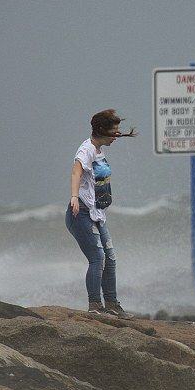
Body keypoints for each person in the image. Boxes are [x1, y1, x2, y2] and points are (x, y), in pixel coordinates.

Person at [66, 109, 135, 315]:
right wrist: (74, 196)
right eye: (113, 132)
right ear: (102, 130)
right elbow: (76, 171)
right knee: (98, 258)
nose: (117, 136)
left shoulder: (99, 151)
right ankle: (95, 305)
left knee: (110, 258)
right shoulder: (85, 150)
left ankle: (112, 304)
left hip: (97, 214)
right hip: (81, 214)